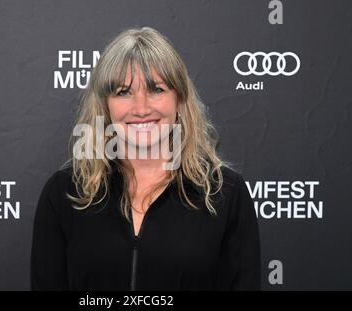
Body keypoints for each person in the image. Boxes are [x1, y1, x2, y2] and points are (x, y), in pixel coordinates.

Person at [30, 27, 260, 291]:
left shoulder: (225, 194)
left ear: (179, 100)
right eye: (123, 92)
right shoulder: (64, 193)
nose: (141, 108)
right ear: (105, 106)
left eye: (156, 89)